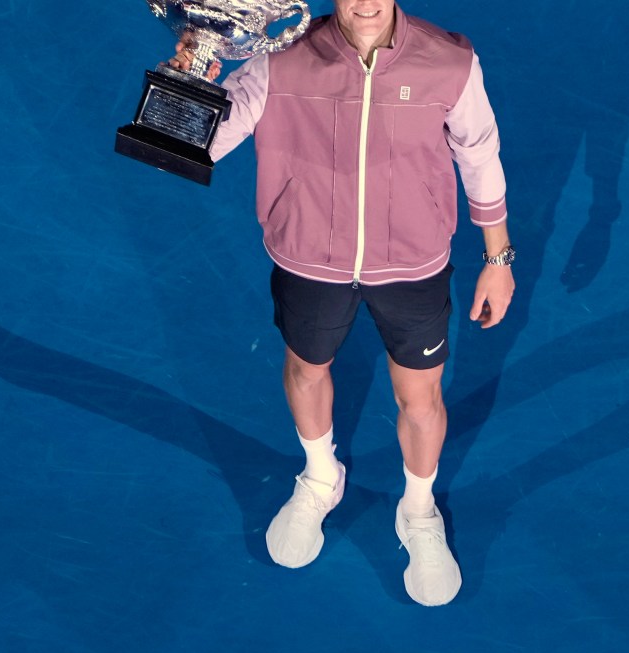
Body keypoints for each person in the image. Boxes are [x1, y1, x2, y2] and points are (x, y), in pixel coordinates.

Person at [180, 0, 514, 607]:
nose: (364, 3)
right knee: (307, 370)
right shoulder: (278, 61)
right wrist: (191, 75)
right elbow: (202, 144)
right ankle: (320, 476)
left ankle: (417, 510)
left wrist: (498, 258)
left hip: (413, 265)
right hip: (308, 260)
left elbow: (479, 150)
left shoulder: (450, 61)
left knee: (420, 397)